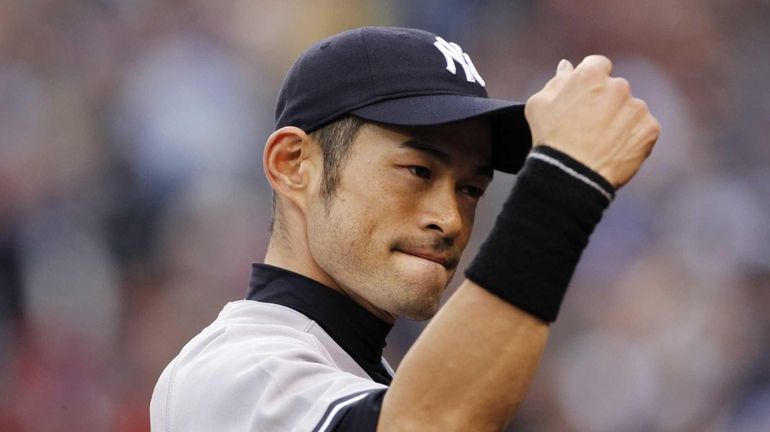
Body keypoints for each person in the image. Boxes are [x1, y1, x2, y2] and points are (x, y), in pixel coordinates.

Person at [150, 26, 659, 431]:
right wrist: (564, 183)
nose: (451, 219)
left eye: (471, 189)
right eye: (418, 171)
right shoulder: (235, 372)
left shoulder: (367, 376)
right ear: (292, 164)